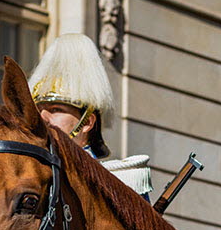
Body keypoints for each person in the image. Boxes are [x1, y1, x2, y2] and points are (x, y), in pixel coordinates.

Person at [28, 33, 152, 199]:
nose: (42, 117)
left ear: (86, 122)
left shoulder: (119, 184)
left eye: (56, 109)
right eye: (38, 110)